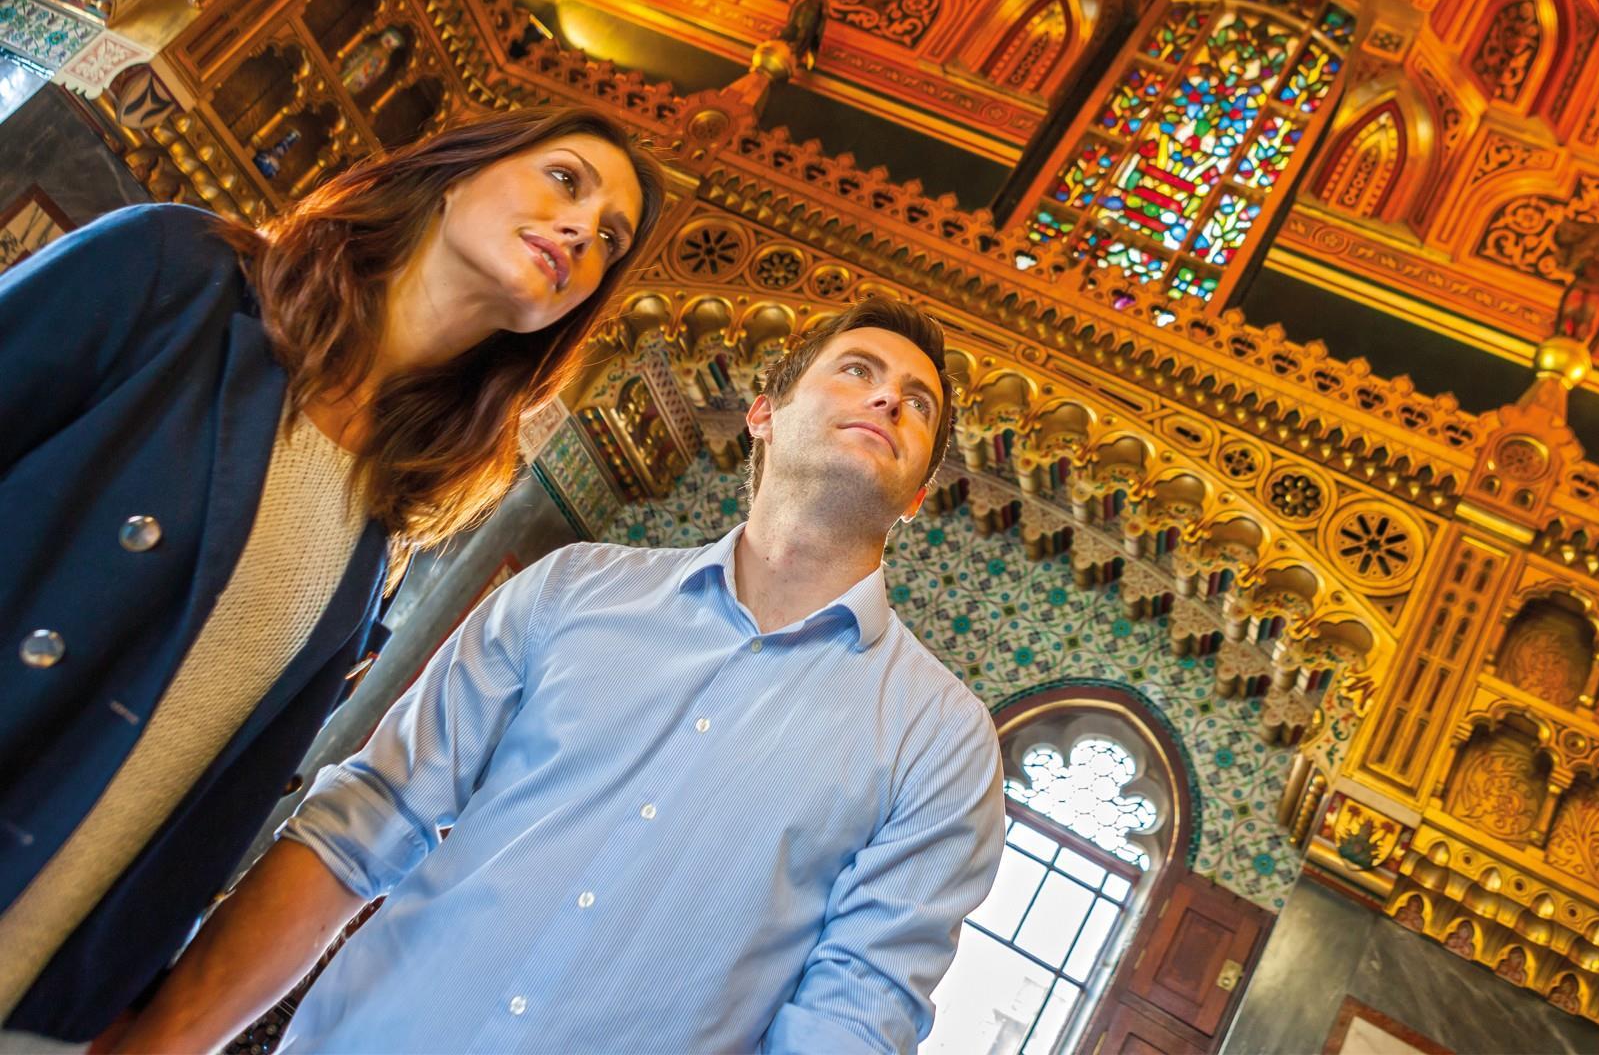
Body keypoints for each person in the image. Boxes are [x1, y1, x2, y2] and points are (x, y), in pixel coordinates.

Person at [122, 298, 1007, 1053]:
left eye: (919, 406)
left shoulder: (941, 740)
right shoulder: (576, 587)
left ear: (920, 492)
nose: (890, 396)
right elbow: (369, 819)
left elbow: (854, 1015)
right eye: (857, 370)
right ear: (764, 413)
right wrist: (162, 1040)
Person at [0, 107, 661, 1046]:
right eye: (566, 180)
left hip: (38, 995)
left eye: (609, 241)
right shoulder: (178, 277)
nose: (580, 232)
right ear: (451, 171)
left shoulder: (375, 531)